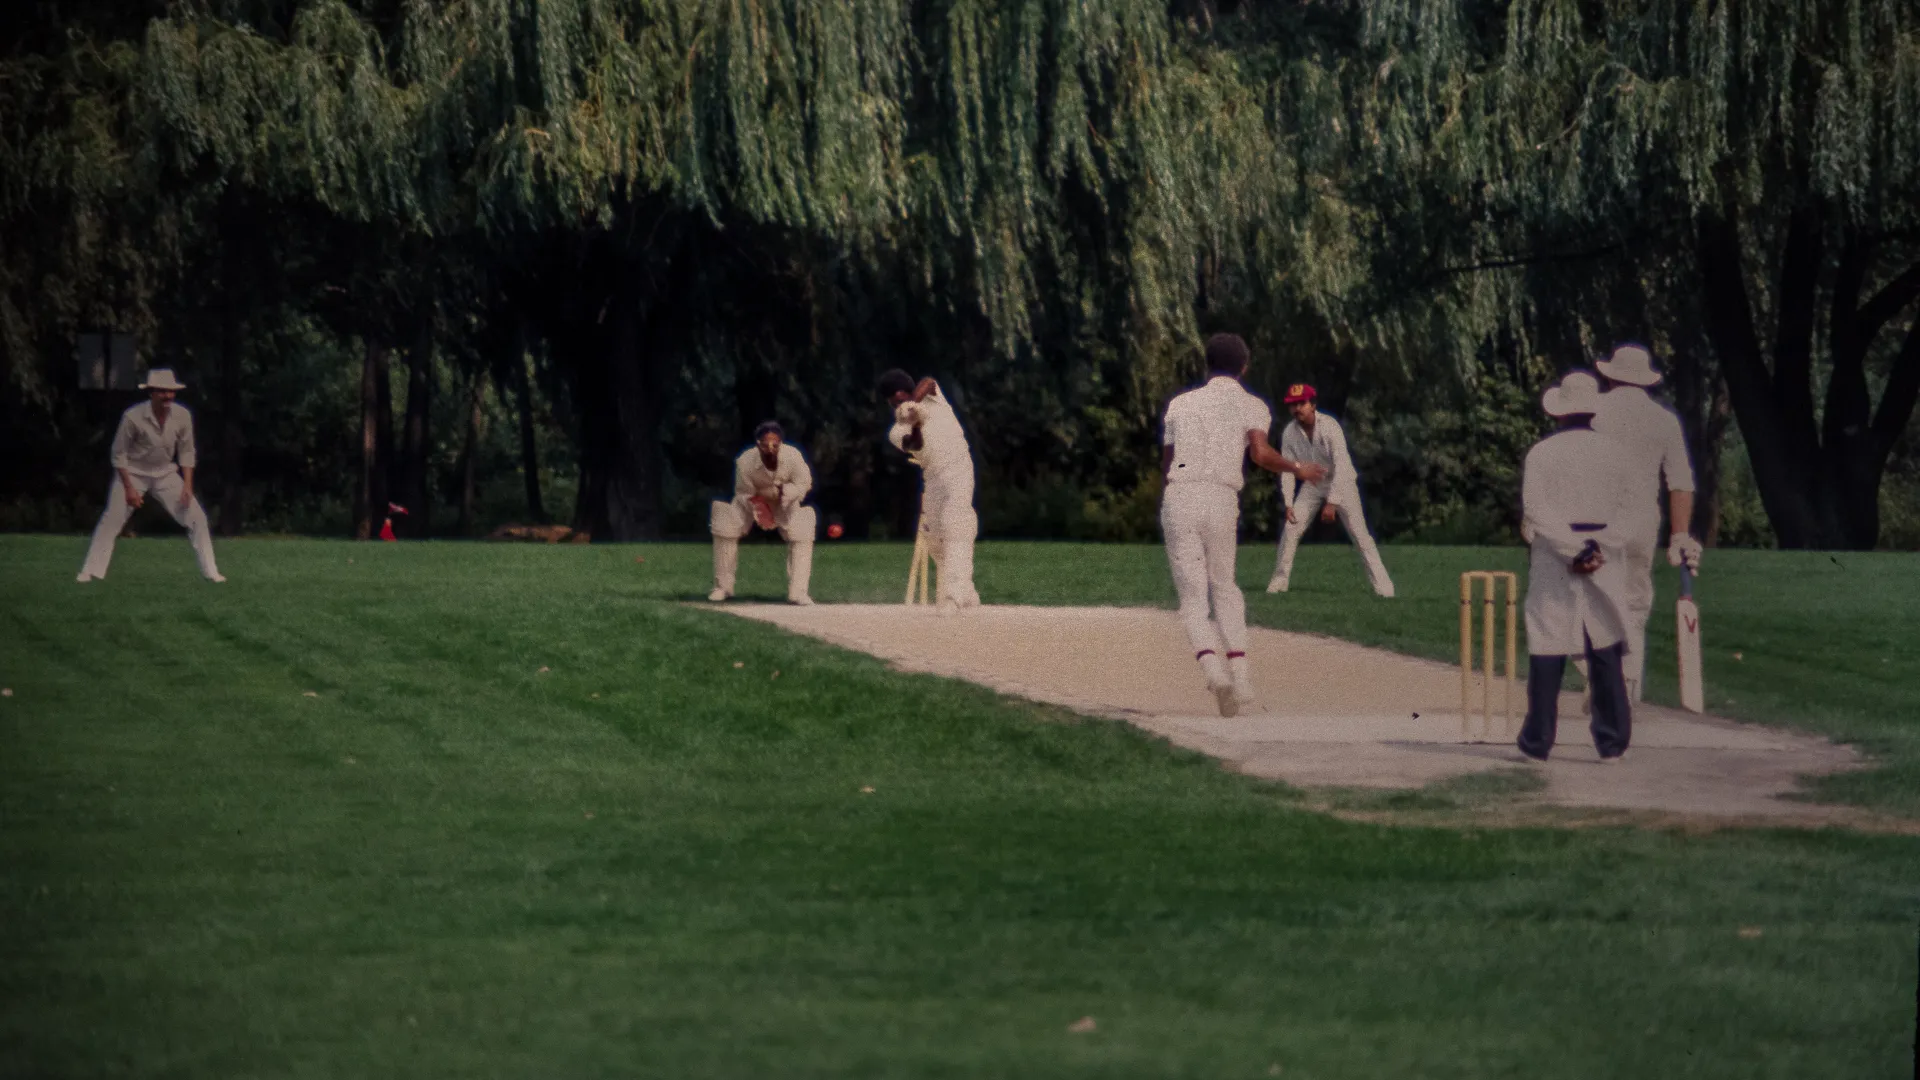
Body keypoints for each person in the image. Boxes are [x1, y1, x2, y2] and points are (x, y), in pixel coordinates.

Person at [1161, 334, 1328, 717]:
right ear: (1244, 366)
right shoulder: (1251, 404)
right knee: (1225, 587)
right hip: (1220, 497)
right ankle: (1241, 675)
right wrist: (1297, 467)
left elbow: (1166, 462)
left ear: (1206, 364)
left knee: (1192, 599)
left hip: (1180, 495)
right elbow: (1260, 453)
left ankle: (1213, 672)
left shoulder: (1180, 404)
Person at [1516, 370, 1639, 763]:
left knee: (1548, 643)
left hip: (1556, 551)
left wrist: (1574, 550)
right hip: (1602, 553)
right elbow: (1632, 509)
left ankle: (1538, 742)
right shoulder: (1618, 453)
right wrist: (1598, 547)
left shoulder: (1542, 452)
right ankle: (1613, 741)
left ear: (1559, 412)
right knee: (1604, 645)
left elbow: (1536, 509)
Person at [1590, 343, 1701, 702]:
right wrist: (1680, 534)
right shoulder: (1664, 420)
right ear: (1646, 382)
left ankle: (1601, 678)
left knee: (1594, 597)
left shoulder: (1593, 411)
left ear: (1609, 377)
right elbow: (1681, 483)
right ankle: (1629, 685)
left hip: (1597, 518)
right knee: (1635, 603)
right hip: (1642, 521)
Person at [77, 368, 224, 583]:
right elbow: (118, 454)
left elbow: (187, 452)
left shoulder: (182, 415)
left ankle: (211, 573)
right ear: (152, 392)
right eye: (163, 392)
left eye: (171, 392)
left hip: (165, 473)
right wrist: (128, 488)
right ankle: (90, 572)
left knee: (197, 517)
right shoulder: (133, 417)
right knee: (113, 519)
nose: (168, 396)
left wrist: (188, 486)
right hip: (133, 472)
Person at [1265, 383, 1395, 597]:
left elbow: (1342, 464)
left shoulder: (1330, 426)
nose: (1297, 409)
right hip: (1313, 484)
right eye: (1293, 405)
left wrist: (1332, 502)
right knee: (1290, 529)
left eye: (1302, 404)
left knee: (1360, 535)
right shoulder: (1289, 432)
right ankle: (1279, 584)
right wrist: (1288, 502)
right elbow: (1288, 469)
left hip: (1341, 481)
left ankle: (1384, 589)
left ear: (1313, 404)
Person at [879, 369, 980, 612]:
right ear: (890, 401)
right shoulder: (896, 430)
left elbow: (929, 380)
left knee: (955, 523)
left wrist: (915, 405)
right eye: (896, 399)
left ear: (909, 391)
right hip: (933, 477)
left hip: (958, 465)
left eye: (904, 396)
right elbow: (915, 445)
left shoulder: (932, 398)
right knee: (935, 540)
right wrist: (915, 424)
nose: (901, 401)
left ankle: (952, 597)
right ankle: (965, 590)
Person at [708, 421, 815, 605]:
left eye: (775, 445)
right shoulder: (745, 461)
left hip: (785, 501)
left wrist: (788, 493)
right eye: (765, 445)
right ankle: (723, 587)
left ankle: (798, 592)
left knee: (803, 526)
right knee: (725, 521)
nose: (771, 449)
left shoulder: (793, 456)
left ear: (781, 442)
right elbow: (743, 492)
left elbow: (804, 483)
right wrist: (758, 507)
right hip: (753, 501)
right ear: (758, 444)